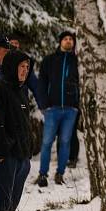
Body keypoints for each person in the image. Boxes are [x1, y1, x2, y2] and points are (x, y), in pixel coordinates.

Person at [0, 49, 32, 211]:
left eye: (27, 67)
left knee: (13, 201)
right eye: (21, 66)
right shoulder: (1, 90)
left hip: (23, 157)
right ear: (12, 67)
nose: (25, 70)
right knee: (2, 200)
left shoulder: (22, 91)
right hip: (8, 156)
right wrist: (3, 151)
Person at [36, 30, 79, 186]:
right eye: (65, 39)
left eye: (71, 39)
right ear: (60, 41)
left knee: (65, 141)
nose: (68, 41)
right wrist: (43, 105)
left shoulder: (77, 61)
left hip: (70, 109)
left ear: (73, 43)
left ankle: (60, 173)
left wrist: (77, 106)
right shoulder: (49, 60)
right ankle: (42, 174)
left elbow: (82, 85)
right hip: (52, 109)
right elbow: (41, 82)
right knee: (47, 142)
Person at [7, 32, 40, 103]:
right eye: (12, 43)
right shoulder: (2, 59)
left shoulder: (24, 61)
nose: (14, 45)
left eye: (16, 43)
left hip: (21, 99)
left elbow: (34, 84)